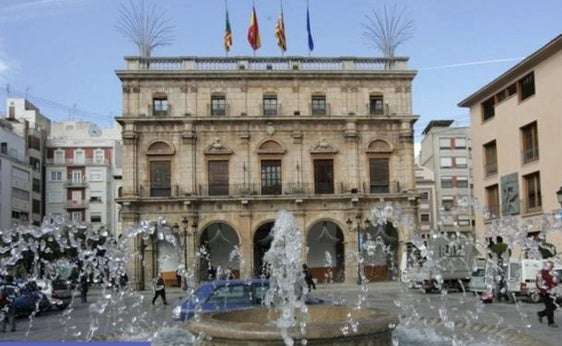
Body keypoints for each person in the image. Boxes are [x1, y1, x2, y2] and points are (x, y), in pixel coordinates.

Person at [536, 260, 558, 327]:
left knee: (554, 305)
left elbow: (552, 282)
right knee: (549, 307)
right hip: (544, 293)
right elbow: (538, 283)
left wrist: (556, 284)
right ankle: (551, 322)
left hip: (551, 292)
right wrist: (543, 290)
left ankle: (541, 314)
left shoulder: (549, 273)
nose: (552, 267)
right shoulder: (541, 273)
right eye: (551, 266)